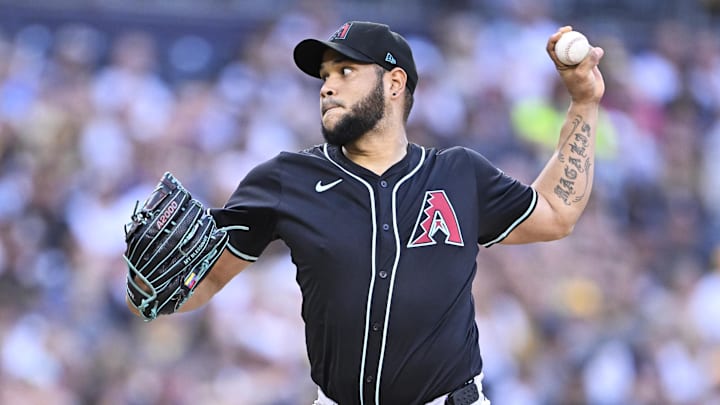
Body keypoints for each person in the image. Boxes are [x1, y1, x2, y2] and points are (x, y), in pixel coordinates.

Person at [126, 20, 605, 405]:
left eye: (345, 71)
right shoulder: (284, 178)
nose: (327, 86)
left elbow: (556, 213)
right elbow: (203, 282)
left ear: (395, 83)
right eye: (324, 76)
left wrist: (584, 102)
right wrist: (148, 290)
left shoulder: (458, 174)